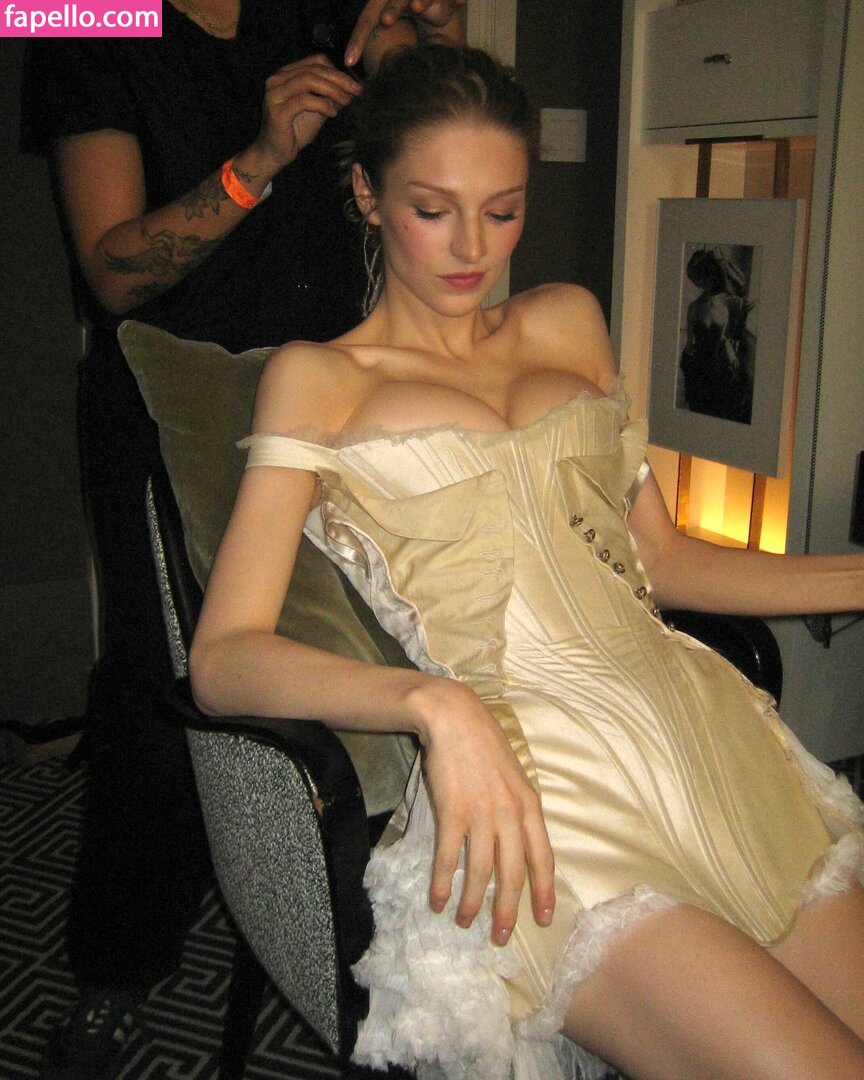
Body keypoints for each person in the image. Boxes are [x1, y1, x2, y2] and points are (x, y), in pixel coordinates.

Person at [189, 42, 864, 1080]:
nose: (473, 248)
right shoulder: (316, 379)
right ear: (368, 195)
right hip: (536, 791)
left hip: (701, 738)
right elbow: (224, 655)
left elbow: (664, 560)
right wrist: (435, 706)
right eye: (434, 210)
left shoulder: (568, 319)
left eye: (502, 211)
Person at [18, 3, 463, 1077]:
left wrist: (423, 41)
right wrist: (258, 158)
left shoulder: (313, 8)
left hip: (332, 397)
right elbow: (112, 274)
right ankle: (116, 969)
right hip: (174, 410)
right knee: (160, 685)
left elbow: (424, 138)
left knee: (381, 640)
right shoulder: (84, 14)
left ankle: (376, 916)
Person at [679, 245, 756, 424]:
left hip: (716, 361)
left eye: (702, 281)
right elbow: (690, 344)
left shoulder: (725, 304)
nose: (701, 286)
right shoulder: (696, 307)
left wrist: (728, 348)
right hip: (703, 364)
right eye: (699, 282)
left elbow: (722, 337)